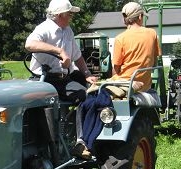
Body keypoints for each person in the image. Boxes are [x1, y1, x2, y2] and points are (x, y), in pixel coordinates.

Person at [25, 0, 98, 159]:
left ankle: (79, 142)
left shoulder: (68, 31)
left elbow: (77, 56)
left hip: (62, 79)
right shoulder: (44, 29)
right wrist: (59, 51)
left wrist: (86, 74)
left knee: (85, 96)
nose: (71, 16)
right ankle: (40, 144)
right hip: (42, 79)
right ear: (59, 15)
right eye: (69, 13)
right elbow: (29, 44)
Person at [110, 2, 161, 92]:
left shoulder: (120, 38)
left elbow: (116, 69)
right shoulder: (152, 33)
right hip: (145, 86)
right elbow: (154, 62)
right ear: (140, 17)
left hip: (126, 85)